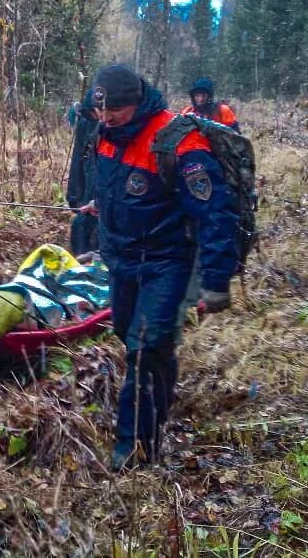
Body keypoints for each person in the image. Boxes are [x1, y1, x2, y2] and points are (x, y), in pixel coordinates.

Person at [84, 65, 238, 471]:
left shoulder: (178, 141)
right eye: (101, 110)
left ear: (136, 102)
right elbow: (117, 189)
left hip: (167, 263)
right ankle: (162, 395)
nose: (106, 117)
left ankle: (133, 447)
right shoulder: (104, 133)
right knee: (131, 335)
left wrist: (217, 278)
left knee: (143, 349)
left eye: (114, 110)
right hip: (121, 260)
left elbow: (215, 214)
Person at [66, 88, 99, 256]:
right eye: (94, 112)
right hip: (87, 194)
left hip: (110, 208)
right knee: (81, 228)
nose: (100, 116)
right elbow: (78, 160)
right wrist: (73, 197)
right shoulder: (85, 124)